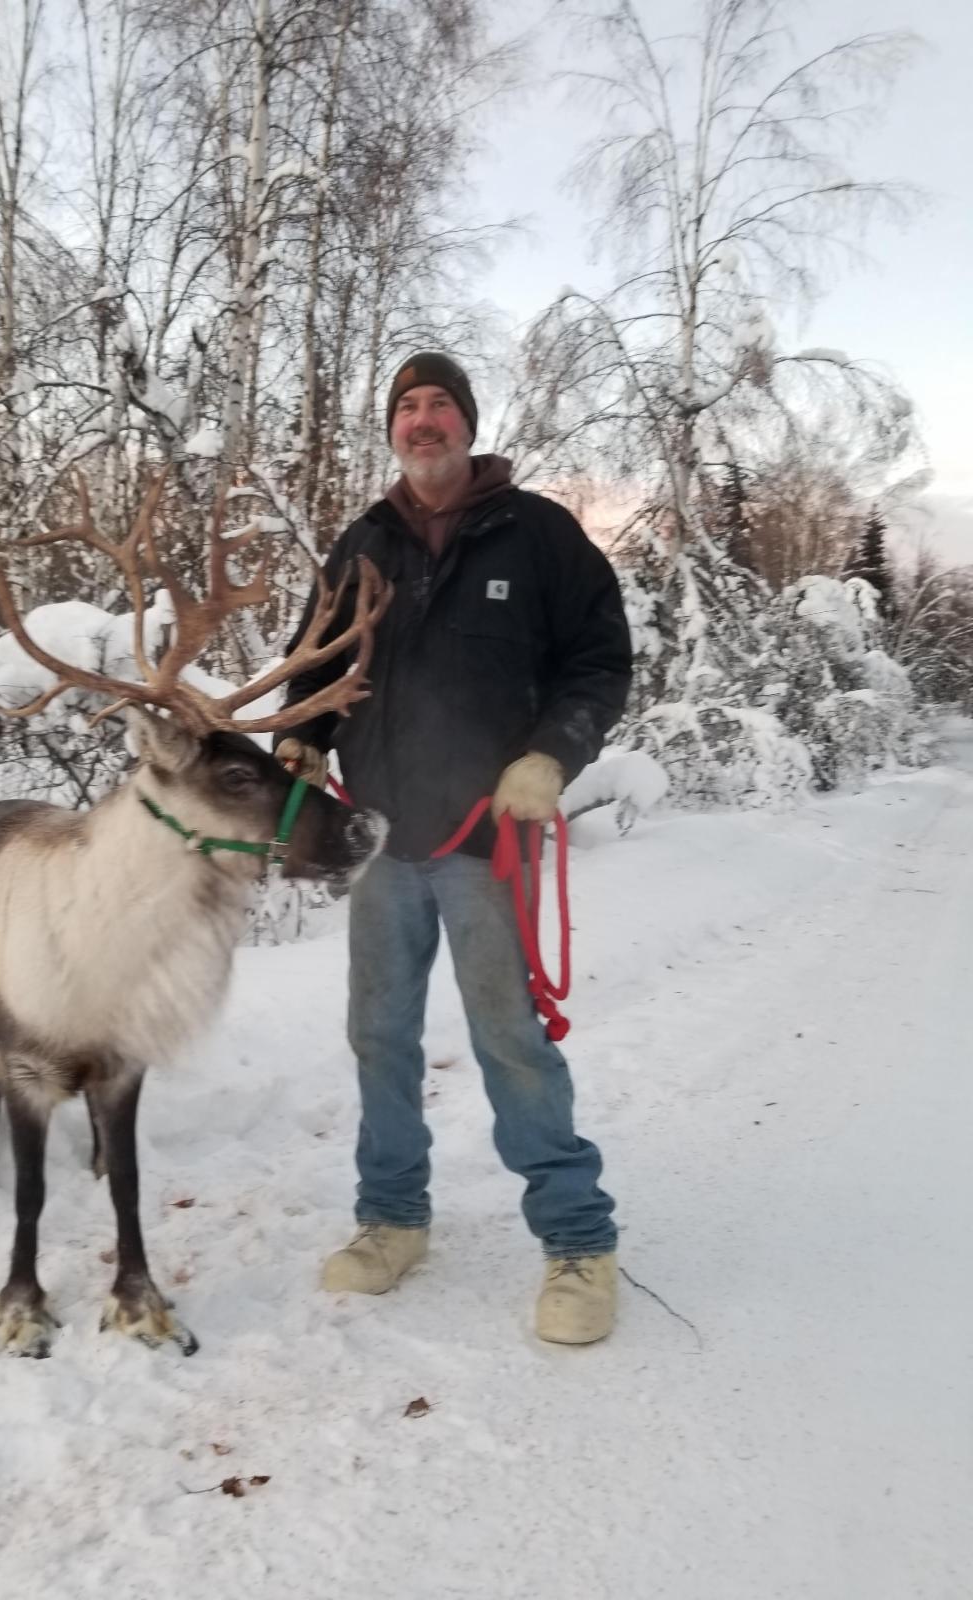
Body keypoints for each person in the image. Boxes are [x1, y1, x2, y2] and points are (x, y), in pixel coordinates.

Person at [276, 352, 632, 1344]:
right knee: (379, 1037)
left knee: (509, 1039)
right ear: (393, 428)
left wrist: (552, 754)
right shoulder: (363, 543)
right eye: (407, 406)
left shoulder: (539, 534)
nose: (423, 419)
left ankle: (578, 1240)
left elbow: (601, 660)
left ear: (468, 425)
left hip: (486, 839)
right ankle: (392, 1219)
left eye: (440, 404)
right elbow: (317, 660)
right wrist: (300, 738)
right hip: (382, 836)